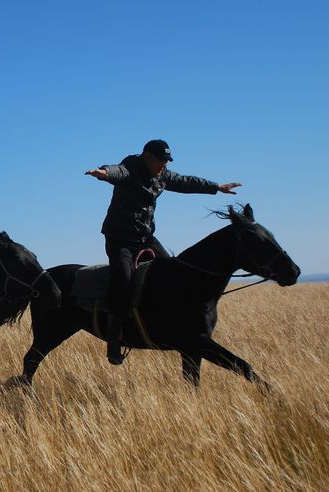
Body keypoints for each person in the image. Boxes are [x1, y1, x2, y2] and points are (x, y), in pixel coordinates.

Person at [84, 139, 242, 365]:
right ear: (147, 157)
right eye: (160, 160)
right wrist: (103, 172)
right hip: (120, 240)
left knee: (173, 274)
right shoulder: (131, 168)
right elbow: (117, 172)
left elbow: (187, 182)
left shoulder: (163, 175)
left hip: (145, 238)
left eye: (167, 161)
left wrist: (216, 187)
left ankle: (174, 326)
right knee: (124, 278)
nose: (164, 166)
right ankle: (114, 339)